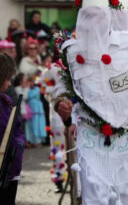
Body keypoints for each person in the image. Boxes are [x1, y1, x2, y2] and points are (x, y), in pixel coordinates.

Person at [55, 0, 128, 204]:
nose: (94, 23)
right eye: (88, 16)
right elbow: (62, 89)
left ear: (109, 16)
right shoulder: (71, 52)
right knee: (94, 196)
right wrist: (61, 103)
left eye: (99, 16)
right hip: (91, 137)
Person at [0, 53, 26, 205]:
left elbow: (18, 130)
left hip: (10, 170)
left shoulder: (7, 102)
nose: (9, 84)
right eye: (7, 78)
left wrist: (18, 144)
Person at [38, 63, 66, 192]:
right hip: (56, 115)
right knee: (57, 146)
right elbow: (42, 84)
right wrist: (52, 92)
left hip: (75, 115)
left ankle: (79, 182)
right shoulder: (53, 68)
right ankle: (59, 177)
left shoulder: (78, 63)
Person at [25, 77, 47, 146]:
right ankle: (31, 140)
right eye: (29, 82)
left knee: (38, 124)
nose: (30, 83)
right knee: (30, 125)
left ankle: (38, 141)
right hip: (30, 109)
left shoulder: (37, 89)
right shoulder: (27, 90)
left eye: (31, 82)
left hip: (37, 109)